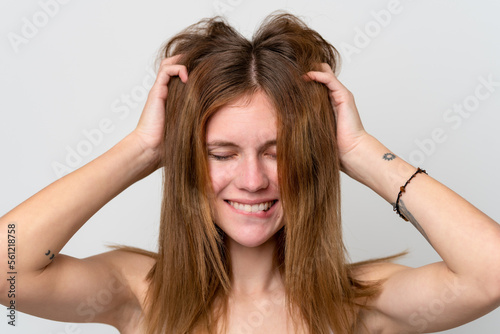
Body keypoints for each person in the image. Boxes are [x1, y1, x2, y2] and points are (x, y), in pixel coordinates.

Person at [1, 11, 499, 334]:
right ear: (190, 162)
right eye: (222, 153)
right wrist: (142, 149)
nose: (254, 179)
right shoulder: (141, 294)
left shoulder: (362, 304)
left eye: (276, 151)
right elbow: (7, 270)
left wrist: (361, 151)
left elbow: (491, 275)